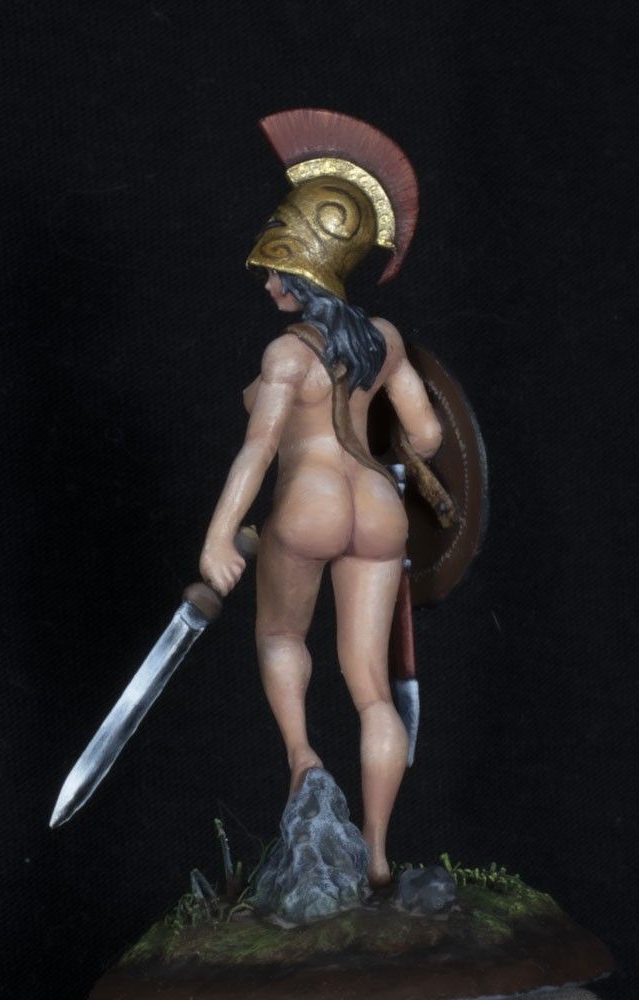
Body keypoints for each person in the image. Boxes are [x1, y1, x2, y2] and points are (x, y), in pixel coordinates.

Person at [199, 110, 442, 887]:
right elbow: (428, 436)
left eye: (277, 272)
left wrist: (219, 536)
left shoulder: (284, 354)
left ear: (306, 272)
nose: (269, 284)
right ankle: (375, 856)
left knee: (279, 636)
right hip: (377, 509)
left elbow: (257, 449)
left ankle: (302, 759)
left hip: (308, 505)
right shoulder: (384, 340)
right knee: (370, 687)